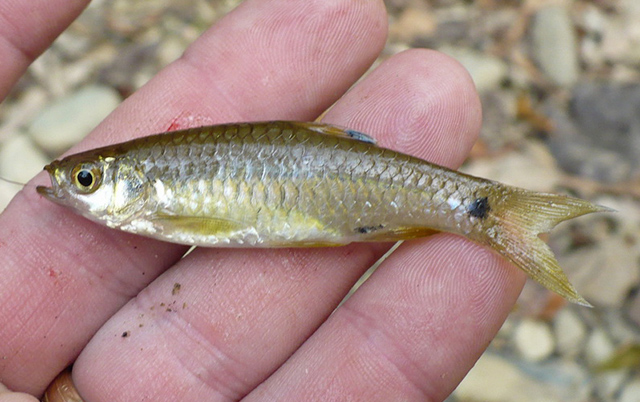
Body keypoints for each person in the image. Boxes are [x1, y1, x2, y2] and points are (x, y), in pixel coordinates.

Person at [0, 0, 525, 400]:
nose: (76, 187)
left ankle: (481, 209)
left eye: (87, 180)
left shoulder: (157, 202)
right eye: (84, 179)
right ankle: (477, 208)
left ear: (134, 180)